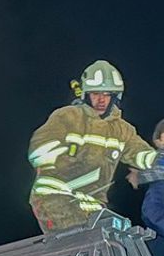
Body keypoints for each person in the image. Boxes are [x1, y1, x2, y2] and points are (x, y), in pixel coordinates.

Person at [27, 60, 156, 233]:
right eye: (95, 94)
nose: (101, 100)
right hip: (56, 196)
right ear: (86, 94)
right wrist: (60, 167)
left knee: (109, 240)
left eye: (106, 94)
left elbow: (140, 152)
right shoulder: (68, 116)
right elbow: (40, 146)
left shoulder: (122, 130)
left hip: (92, 204)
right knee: (75, 237)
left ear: (115, 96)